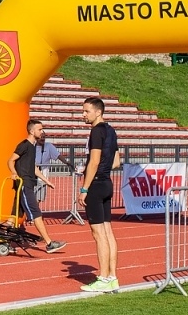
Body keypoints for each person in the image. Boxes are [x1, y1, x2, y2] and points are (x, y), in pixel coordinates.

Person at [77, 95, 120, 293]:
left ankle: (103, 277)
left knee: (98, 234)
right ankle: (112, 277)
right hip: (107, 183)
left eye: (86, 111)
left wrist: (84, 188)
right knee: (108, 231)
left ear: (98, 112)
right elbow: (116, 161)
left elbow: (94, 161)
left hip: (95, 185)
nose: (83, 114)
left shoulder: (96, 131)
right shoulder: (111, 131)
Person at [6, 119, 67, 253]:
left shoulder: (32, 147)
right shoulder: (24, 145)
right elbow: (10, 160)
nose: (42, 132)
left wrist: (46, 181)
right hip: (23, 184)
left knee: (15, 214)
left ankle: (3, 240)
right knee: (36, 213)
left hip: (28, 184)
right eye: (40, 129)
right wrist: (14, 173)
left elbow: (32, 168)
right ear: (32, 131)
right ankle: (49, 243)